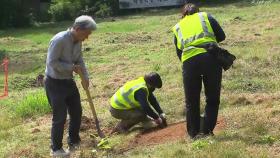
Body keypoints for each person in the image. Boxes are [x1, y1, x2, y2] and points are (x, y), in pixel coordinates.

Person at [44, 15, 96, 157]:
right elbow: (52, 63)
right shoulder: (59, 40)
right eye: (86, 34)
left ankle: (73, 141)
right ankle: (56, 149)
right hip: (54, 83)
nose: (87, 38)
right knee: (60, 116)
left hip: (68, 82)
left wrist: (85, 77)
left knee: (76, 112)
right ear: (78, 29)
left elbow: (80, 60)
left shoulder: (78, 42)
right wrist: (71, 68)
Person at [172, 3, 226, 139]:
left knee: (191, 101)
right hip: (210, 57)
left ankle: (193, 134)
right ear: (197, 11)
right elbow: (221, 36)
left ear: (183, 14)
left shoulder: (178, 26)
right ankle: (206, 131)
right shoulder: (205, 16)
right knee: (212, 99)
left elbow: (179, 52)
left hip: (189, 62)